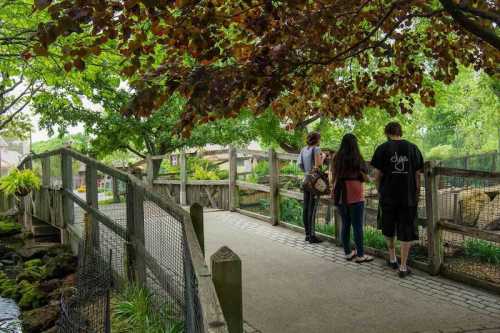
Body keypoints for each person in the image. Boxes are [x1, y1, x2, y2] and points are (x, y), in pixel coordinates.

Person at [371, 122, 424, 278]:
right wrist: (417, 192)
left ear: (387, 132)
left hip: (388, 196)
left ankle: (393, 258)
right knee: (406, 230)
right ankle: (402, 267)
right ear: (400, 132)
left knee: (388, 227)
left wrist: (379, 191)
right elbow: (417, 175)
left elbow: (377, 176)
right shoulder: (413, 148)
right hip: (407, 197)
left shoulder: (382, 149)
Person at [332, 134, 374, 263]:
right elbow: (366, 177)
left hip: (340, 194)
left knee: (345, 224)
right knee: (357, 226)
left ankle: (348, 253)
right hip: (355, 194)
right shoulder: (357, 158)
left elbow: (332, 176)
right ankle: (360, 255)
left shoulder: (336, 157)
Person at [298, 132, 324, 244]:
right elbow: (318, 165)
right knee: (312, 209)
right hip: (313, 182)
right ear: (317, 140)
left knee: (306, 208)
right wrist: (323, 157)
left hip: (306, 180)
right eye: (319, 139)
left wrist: (306, 172)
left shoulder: (303, 149)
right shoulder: (317, 149)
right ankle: (312, 236)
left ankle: (307, 234)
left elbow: (299, 164)